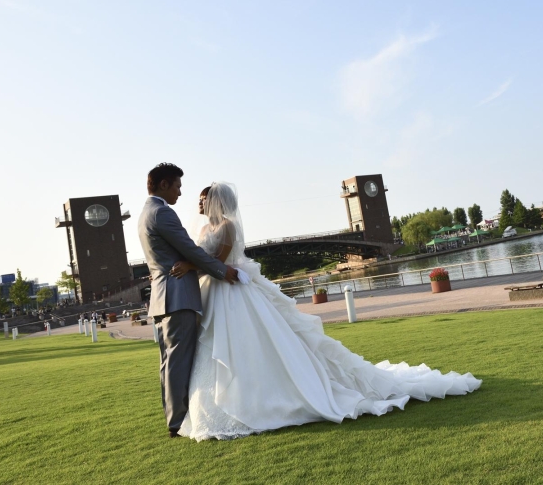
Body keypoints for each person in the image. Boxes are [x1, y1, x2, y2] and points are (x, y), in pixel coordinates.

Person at [171, 182, 481, 441]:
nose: (199, 203)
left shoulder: (227, 227)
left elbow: (217, 263)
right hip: (214, 291)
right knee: (219, 347)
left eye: (203, 198)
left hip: (231, 288)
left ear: (216, 201)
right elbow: (203, 259)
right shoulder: (202, 229)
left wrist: (190, 266)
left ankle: (260, 400)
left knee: (247, 345)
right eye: (199, 198)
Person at [138, 163, 241, 439]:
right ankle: (178, 421)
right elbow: (190, 250)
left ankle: (173, 418)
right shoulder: (162, 213)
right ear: (163, 185)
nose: (180, 193)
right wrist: (222, 270)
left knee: (168, 361)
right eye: (177, 186)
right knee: (178, 361)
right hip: (178, 296)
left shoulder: (145, 214)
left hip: (162, 298)